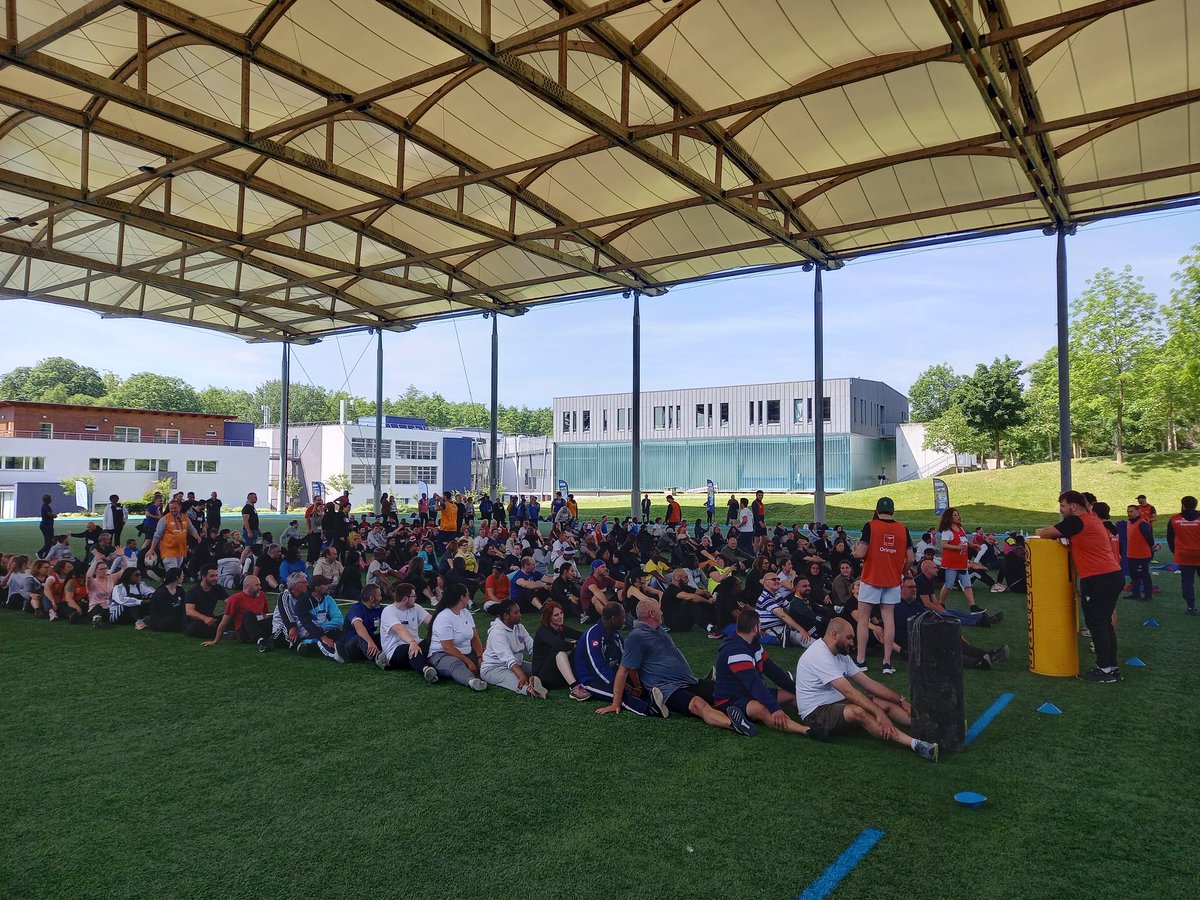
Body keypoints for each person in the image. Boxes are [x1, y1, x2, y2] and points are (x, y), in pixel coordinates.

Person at [596, 599, 753, 734]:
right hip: (669, 690)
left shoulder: (658, 630)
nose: (662, 612)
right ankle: (734, 724)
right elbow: (624, 670)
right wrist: (616, 703)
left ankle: (756, 710)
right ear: (651, 614)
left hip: (688, 681)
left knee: (725, 690)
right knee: (698, 704)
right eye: (659, 610)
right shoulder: (636, 637)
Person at [794, 618, 938, 761]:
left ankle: (931, 727)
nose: (852, 643)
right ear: (834, 635)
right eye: (849, 638)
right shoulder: (819, 655)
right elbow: (849, 692)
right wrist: (879, 713)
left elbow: (869, 684)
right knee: (858, 711)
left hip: (836, 703)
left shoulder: (841, 655)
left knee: (883, 704)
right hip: (815, 714)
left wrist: (901, 700)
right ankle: (917, 745)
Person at [1038, 490, 1124, 683]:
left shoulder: (1077, 521)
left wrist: (1059, 534)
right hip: (1112, 575)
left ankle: (1105, 669)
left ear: (1073, 506)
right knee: (1104, 623)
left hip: (1098, 578)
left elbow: (1045, 533)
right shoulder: (1092, 519)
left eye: (1063, 506)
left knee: (1097, 624)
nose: (1061, 510)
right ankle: (1111, 667)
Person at [714, 609, 821, 738]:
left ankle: (819, 718)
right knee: (759, 709)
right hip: (731, 699)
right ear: (755, 628)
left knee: (791, 695)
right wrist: (774, 708)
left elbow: (773, 671)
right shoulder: (735, 650)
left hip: (749, 692)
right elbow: (753, 684)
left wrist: (797, 690)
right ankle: (807, 730)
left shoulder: (753, 643)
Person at [851, 497, 913, 675]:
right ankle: (887, 663)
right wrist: (903, 572)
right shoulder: (903, 529)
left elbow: (861, 552)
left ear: (877, 511)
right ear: (893, 511)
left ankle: (861, 661)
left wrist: (855, 553)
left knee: (863, 620)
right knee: (889, 620)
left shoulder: (870, 526)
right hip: (892, 580)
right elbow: (910, 559)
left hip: (871, 578)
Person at [480, 599, 546, 698]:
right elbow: (508, 658)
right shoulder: (497, 632)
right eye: (516, 613)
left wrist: (543, 663)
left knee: (542, 671)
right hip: (494, 668)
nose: (520, 615)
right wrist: (521, 675)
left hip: (518, 663)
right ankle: (530, 690)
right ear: (506, 615)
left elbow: (533, 647)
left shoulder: (519, 627)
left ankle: (538, 681)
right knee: (515, 680)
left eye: (519, 612)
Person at [428, 584, 487, 690]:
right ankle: (471, 681)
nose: (469, 598)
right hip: (442, 655)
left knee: (489, 656)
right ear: (461, 598)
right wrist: (468, 662)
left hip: (467, 652)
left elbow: (475, 637)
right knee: (456, 664)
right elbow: (448, 648)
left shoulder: (466, 613)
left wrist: (480, 656)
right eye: (467, 595)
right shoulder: (444, 617)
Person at [377, 583, 438, 681]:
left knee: (432, 642)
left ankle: (435, 664)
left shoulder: (415, 607)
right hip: (394, 650)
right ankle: (426, 669)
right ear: (405, 598)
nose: (416, 598)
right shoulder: (388, 611)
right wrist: (412, 643)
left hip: (415, 644)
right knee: (411, 649)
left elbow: (432, 621)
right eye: (414, 596)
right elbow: (400, 629)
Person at [531, 601, 590, 700]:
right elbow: (559, 644)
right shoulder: (543, 631)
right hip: (543, 678)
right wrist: (574, 644)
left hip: (557, 676)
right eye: (556, 615)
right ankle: (574, 688)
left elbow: (582, 636)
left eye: (561, 613)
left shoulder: (560, 628)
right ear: (548, 617)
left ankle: (587, 677)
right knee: (559, 649)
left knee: (580, 647)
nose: (560, 617)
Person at [203, 575, 271, 651]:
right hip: (245, 633)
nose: (260, 587)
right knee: (248, 615)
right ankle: (261, 641)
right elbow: (224, 621)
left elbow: (265, 614)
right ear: (247, 586)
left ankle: (271, 638)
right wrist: (216, 640)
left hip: (259, 626)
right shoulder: (236, 599)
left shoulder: (261, 595)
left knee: (274, 617)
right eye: (257, 585)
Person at [936, 507, 985, 614]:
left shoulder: (960, 528)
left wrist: (972, 545)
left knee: (967, 585)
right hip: (951, 563)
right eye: (955, 515)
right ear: (949, 517)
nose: (958, 517)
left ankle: (973, 606)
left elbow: (965, 541)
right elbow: (943, 544)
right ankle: (941, 603)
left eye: (958, 515)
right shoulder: (947, 531)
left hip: (962, 563)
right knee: (948, 585)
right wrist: (957, 547)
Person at [295, 574, 345, 660]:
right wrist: (322, 636)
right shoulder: (302, 603)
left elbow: (339, 620)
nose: (329, 586)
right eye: (326, 584)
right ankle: (335, 656)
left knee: (345, 636)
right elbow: (307, 624)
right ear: (317, 588)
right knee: (321, 641)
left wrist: (322, 628)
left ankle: (308, 646)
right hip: (311, 634)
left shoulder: (329, 599)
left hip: (326, 630)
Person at [1167, 496, 1200, 614]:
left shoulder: (1174, 519)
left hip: (1184, 555)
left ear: (1183, 505)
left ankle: (1191, 607)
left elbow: (1170, 539)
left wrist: (1175, 551)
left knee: (1187, 582)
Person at [148, 499, 199, 574]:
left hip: (180, 550)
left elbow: (191, 529)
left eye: (175, 508)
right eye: (171, 508)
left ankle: (168, 580)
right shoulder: (164, 519)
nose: (173, 510)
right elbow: (157, 535)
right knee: (174, 573)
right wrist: (152, 549)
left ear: (180, 507)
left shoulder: (185, 518)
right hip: (168, 551)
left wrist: (197, 537)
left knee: (175, 572)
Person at [337, 583, 385, 662]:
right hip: (350, 646)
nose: (381, 598)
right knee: (360, 637)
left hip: (367, 644)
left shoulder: (378, 609)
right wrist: (370, 642)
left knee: (384, 634)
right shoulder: (357, 609)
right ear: (371, 598)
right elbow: (359, 627)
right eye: (379, 596)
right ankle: (379, 658)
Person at [183, 566, 227, 640]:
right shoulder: (193, 591)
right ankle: (223, 634)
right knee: (197, 626)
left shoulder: (218, 588)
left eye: (216, 575)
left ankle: (223, 632)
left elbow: (230, 602)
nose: (215, 578)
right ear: (203, 577)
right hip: (194, 622)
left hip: (211, 619)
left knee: (228, 618)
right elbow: (189, 611)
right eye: (212, 576)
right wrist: (205, 618)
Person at [1124, 504, 1156, 603]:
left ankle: (1148, 595)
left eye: (1131, 511)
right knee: (1134, 575)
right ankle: (1136, 593)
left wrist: (1152, 548)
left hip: (1141, 555)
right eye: (1128, 512)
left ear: (1138, 512)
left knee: (1144, 575)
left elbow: (1149, 538)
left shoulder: (1142, 524)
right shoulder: (1129, 523)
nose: (1129, 513)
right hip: (1131, 555)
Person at [149, 567, 186, 632]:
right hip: (161, 620)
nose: (183, 577)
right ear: (177, 577)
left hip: (174, 616)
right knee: (178, 618)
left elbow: (185, 603)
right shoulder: (161, 592)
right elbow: (167, 610)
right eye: (182, 576)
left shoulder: (180, 590)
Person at [37, 494, 56, 559]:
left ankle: (46, 555)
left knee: (50, 542)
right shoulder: (46, 507)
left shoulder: (45, 506)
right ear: (48, 500)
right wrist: (54, 515)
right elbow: (49, 514)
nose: (51, 500)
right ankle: (40, 552)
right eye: (50, 499)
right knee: (49, 542)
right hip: (46, 526)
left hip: (47, 526)